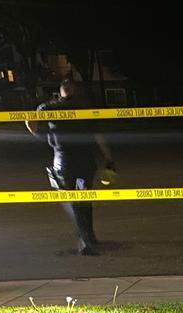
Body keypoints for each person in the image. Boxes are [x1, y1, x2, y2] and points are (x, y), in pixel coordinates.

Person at [25, 79, 115, 255]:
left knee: (73, 202)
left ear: (61, 91)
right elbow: (98, 135)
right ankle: (89, 236)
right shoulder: (84, 108)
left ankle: (85, 241)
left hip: (63, 162)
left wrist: (42, 136)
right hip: (85, 162)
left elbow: (29, 122)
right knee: (85, 199)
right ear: (75, 90)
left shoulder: (47, 107)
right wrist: (108, 158)